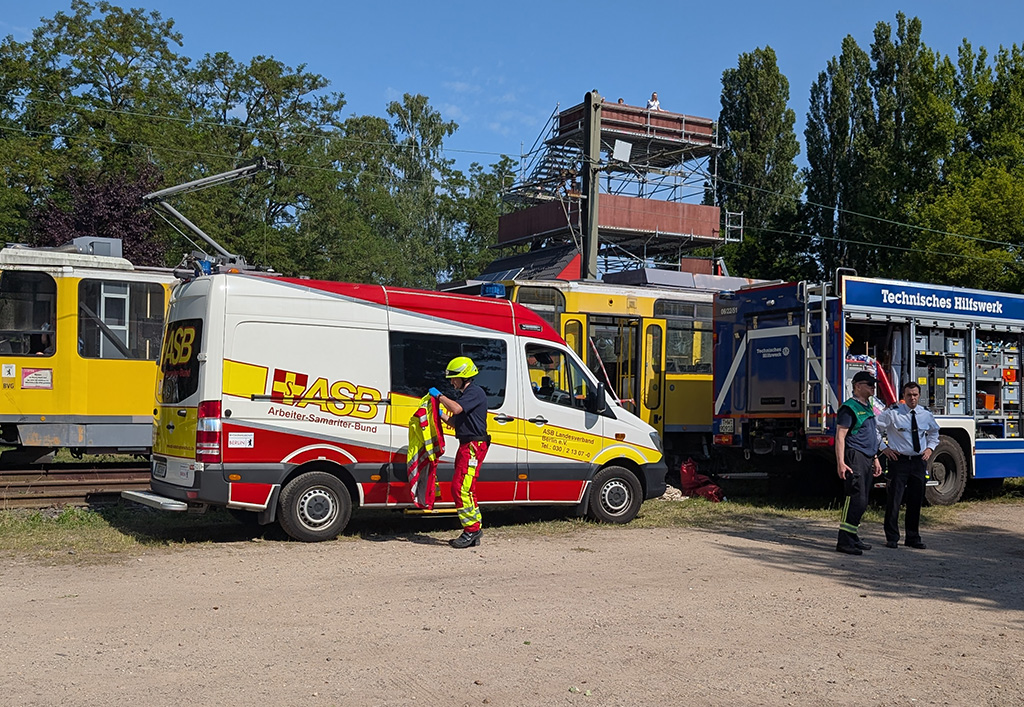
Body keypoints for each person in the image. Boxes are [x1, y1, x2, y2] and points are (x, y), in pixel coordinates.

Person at [429, 356, 490, 548]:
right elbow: (456, 422)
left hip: (473, 446)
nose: (451, 382)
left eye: (454, 378)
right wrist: (438, 413)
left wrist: (439, 397)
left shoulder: (474, 392)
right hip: (467, 445)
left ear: (464, 377)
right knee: (466, 487)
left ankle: (471, 530)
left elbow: (455, 409)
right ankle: (474, 528)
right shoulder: (468, 395)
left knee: (460, 488)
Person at [877, 382, 938, 549]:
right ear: (903, 396)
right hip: (899, 461)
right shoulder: (893, 413)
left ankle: (913, 537)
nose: (912, 398)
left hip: (918, 462)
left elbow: (934, 432)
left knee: (915, 501)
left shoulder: (925, 414)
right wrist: (884, 448)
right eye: (909, 395)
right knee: (894, 500)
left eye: (915, 395)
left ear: (919, 396)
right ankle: (892, 537)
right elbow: (875, 429)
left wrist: (930, 448)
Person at [834, 371, 883, 555]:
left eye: (873, 383)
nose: (873, 386)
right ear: (857, 386)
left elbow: (870, 434)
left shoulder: (868, 406)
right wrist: (840, 462)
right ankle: (844, 541)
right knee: (855, 497)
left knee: (863, 500)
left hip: (868, 456)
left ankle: (853, 536)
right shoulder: (850, 408)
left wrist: (876, 457)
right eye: (869, 383)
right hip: (855, 456)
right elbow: (840, 436)